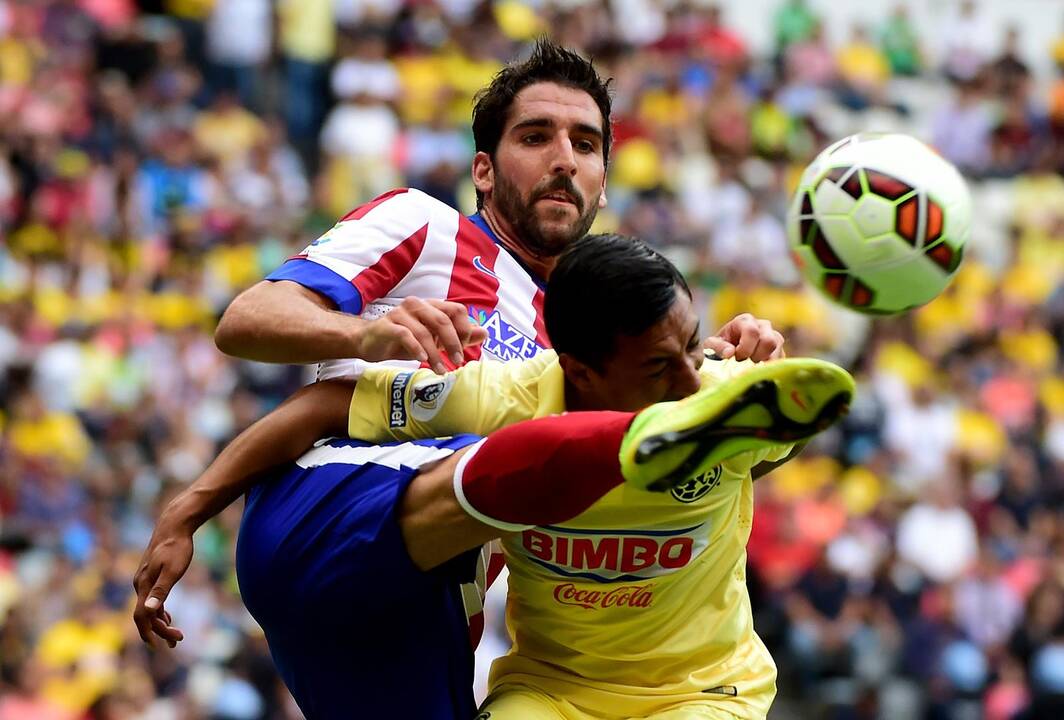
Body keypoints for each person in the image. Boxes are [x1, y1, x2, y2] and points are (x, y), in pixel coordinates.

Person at [137, 39, 787, 653]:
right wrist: (362, 334)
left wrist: (736, 386)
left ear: (604, 183)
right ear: (482, 169)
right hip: (339, 528)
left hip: (439, 617)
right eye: (536, 137)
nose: (564, 158)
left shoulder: (592, 337)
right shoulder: (423, 226)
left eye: (585, 144)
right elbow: (247, 319)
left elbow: (679, 471)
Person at [134, 235, 854, 718]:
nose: (691, 377)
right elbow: (327, 403)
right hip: (553, 690)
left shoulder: (724, 396)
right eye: (659, 366)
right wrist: (186, 513)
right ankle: (608, 448)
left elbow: (790, 424)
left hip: (701, 690)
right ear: (579, 371)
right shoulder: (503, 394)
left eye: (693, 348)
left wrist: (768, 410)